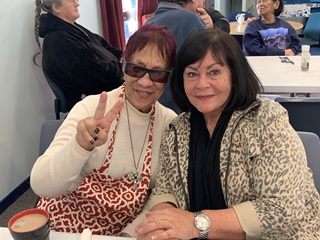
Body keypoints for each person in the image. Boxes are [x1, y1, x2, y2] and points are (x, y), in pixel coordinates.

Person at [134, 28, 320, 239]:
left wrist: (194, 223)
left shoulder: (266, 119)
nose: (202, 84)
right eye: (192, 74)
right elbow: (165, 189)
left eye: (214, 72)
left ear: (234, 74)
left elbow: (282, 210)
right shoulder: (178, 129)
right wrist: (160, 223)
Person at [30, 24, 177, 236]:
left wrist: (131, 232)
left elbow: (162, 193)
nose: (145, 82)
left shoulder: (168, 123)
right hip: (64, 229)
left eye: (158, 73)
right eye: (136, 69)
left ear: (168, 77)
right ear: (123, 66)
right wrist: (79, 145)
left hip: (121, 233)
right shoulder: (91, 108)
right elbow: (41, 185)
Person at [33, 0, 124, 111]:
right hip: (94, 107)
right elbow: (97, 75)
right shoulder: (60, 40)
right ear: (56, 8)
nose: (77, 3)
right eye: (71, 1)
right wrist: (125, 67)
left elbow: (106, 47)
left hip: (109, 91)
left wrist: (127, 57)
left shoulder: (73, 29)